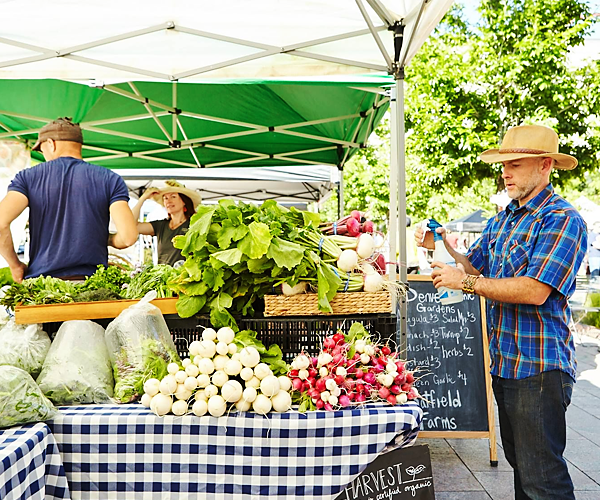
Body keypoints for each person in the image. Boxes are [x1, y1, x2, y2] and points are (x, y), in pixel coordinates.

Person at [415, 124, 586, 500]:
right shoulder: (504, 218)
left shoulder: (562, 219)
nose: (506, 171)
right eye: (503, 164)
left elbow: (535, 290)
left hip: (540, 368)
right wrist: (440, 244)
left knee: (544, 480)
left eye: (516, 163)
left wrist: (467, 283)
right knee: (524, 472)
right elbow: (474, 268)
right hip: (506, 364)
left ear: (545, 166)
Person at [0, 117, 138, 282]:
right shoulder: (110, 179)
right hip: (93, 286)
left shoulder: (28, 178)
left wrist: (15, 266)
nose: (43, 154)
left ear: (51, 144)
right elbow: (128, 237)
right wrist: (105, 238)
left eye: (42, 149)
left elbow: (1, 223)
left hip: (44, 286)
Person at [132, 180, 201, 266]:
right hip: (164, 277)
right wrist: (143, 198)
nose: (169, 201)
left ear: (184, 201)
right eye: (165, 198)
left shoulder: (195, 224)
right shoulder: (161, 225)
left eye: (173, 197)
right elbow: (132, 225)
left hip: (187, 278)